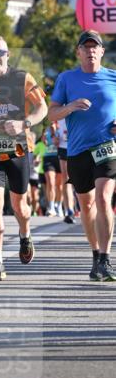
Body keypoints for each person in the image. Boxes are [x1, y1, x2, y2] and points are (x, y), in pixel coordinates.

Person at [0, 36, 48, 281]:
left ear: (8, 54)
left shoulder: (23, 78)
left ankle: (25, 233)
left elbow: (42, 108)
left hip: (19, 149)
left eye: (0, 52)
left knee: (20, 207)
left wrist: (24, 123)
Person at [48, 30, 116, 282]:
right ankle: (96, 254)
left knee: (103, 197)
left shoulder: (113, 77)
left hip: (107, 147)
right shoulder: (66, 79)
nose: (90, 51)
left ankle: (106, 259)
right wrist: (70, 107)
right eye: (85, 47)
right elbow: (51, 114)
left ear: (101, 52)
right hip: (77, 150)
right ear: (78, 52)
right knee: (86, 206)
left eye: (94, 47)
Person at [41, 123, 62, 216]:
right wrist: (44, 136)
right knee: (50, 182)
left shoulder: (61, 129)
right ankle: (51, 207)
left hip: (60, 157)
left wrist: (54, 133)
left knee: (60, 186)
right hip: (48, 158)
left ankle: (59, 205)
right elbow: (44, 143)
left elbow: (58, 143)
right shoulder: (47, 131)